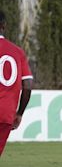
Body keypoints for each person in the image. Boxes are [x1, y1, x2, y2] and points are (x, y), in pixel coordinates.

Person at [0, 10, 33, 157]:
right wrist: (19, 113)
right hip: (6, 114)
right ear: (4, 26)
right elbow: (27, 85)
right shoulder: (17, 52)